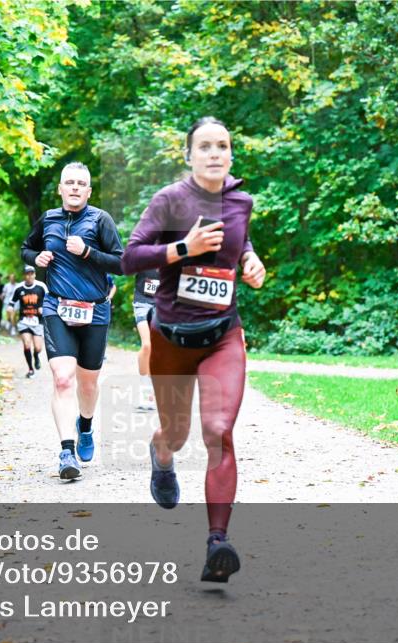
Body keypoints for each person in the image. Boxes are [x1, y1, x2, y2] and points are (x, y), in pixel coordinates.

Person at [121, 117, 266, 583]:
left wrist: (249, 259)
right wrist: (182, 248)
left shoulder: (241, 201)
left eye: (222, 146)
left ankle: (217, 544)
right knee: (178, 434)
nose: (214, 154)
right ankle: (161, 455)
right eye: (204, 146)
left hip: (223, 334)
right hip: (172, 339)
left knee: (219, 430)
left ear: (230, 154)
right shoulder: (169, 200)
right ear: (189, 156)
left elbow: (241, 242)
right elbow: (130, 258)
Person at [20, 161, 124, 480]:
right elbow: (27, 248)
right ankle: (67, 451)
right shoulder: (48, 219)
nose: (76, 187)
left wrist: (87, 253)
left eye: (81, 183)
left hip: (94, 309)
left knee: (88, 382)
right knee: (63, 378)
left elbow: (121, 263)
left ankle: (86, 426)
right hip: (56, 306)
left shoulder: (100, 220)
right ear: (61, 189)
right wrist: (34, 258)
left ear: (89, 191)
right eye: (70, 182)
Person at [11, 266, 48, 378]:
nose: (30, 276)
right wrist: (10, 311)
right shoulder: (19, 288)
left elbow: (49, 300)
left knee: (38, 348)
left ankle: (36, 356)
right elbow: (11, 302)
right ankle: (30, 369)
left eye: (32, 273)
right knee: (27, 344)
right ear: (24, 275)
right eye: (27, 274)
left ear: (35, 275)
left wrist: (43, 307)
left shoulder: (41, 286)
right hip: (24, 321)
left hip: (38, 321)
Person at [132, 268, 159, 410]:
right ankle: (145, 389)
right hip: (142, 302)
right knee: (147, 345)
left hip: (163, 305)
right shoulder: (142, 247)